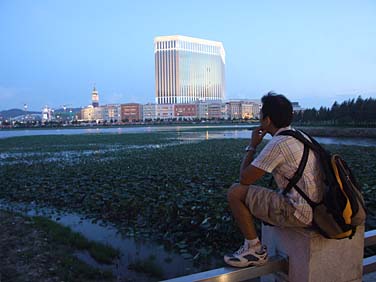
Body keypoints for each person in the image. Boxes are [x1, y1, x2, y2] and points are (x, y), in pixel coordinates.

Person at [224, 92, 324, 268]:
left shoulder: (278, 143)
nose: (259, 116)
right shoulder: (300, 136)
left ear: (267, 120)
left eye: (261, 113)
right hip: (317, 208)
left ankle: (255, 249)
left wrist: (253, 145)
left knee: (235, 192)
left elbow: (244, 179)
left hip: (299, 212)